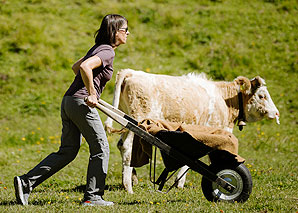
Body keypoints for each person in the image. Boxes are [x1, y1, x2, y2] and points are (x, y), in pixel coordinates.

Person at [14, 14, 129, 206]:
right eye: (125, 30)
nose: (128, 33)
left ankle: (26, 182)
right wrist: (92, 92)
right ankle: (93, 197)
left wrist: (88, 85)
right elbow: (84, 67)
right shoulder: (107, 51)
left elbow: (76, 66)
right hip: (80, 103)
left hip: (69, 101)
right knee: (101, 148)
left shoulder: (97, 48)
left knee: (68, 151)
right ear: (115, 31)